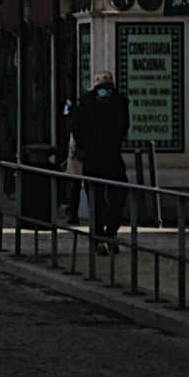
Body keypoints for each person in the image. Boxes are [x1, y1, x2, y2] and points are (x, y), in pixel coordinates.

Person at [70, 71, 131, 253]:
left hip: (113, 158)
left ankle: (110, 233)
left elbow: (123, 126)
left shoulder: (119, 104)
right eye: (101, 88)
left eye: (108, 87)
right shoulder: (86, 105)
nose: (105, 91)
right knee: (96, 202)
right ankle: (97, 239)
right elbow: (77, 127)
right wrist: (85, 147)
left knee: (118, 197)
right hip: (93, 158)